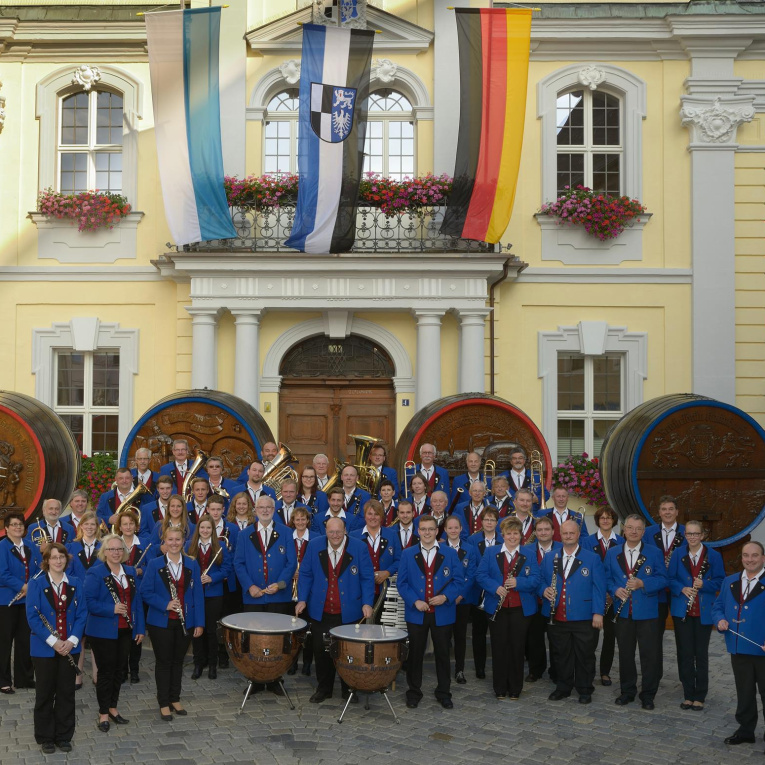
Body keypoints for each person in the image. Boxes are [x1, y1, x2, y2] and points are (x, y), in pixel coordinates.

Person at [296, 517, 374, 703]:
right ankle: (324, 689)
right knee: (321, 652)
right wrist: (302, 599)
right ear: (326, 532)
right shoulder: (314, 546)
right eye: (331, 532)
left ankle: (349, 689)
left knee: (348, 653)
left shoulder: (359, 547)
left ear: (345, 530)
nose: (335, 535)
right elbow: (305, 574)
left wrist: (367, 603)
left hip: (350, 611)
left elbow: (367, 577)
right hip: (320, 610)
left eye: (339, 531)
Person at [26, 542, 88, 754]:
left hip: (70, 647)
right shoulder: (36, 583)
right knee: (44, 693)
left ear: (66, 560)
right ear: (47, 561)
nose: (58, 561)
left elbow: (82, 614)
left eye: (61, 557)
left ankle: (64, 736)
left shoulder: (76, 582)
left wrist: (71, 640)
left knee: (66, 693)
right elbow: (32, 617)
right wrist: (54, 642)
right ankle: (45, 737)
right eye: (54, 557)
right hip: (44, 648)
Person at [397, 514, 463, 709]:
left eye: (430, 529)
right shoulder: (408, 554)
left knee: (443, 654)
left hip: (443, 613)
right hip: (416, 612)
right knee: (415, 654)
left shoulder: (450, 553)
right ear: (418, 532)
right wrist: (414, 601)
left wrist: (446, 597)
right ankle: (414, 691)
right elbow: (402, 583)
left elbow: (459, 581)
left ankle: (444, 692)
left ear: (437, 531)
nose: (427, 532)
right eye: (423, 529)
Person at [140, 526, 204, 721]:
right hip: (161, 622)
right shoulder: (154, 564)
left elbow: (198, 595)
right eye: (170, 540)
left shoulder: (192, 564)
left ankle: (175, 698)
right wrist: (165, 604)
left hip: (186, 621)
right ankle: (163, 702)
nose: (174, 543)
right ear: (164, 543)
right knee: (164, 662)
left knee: (179, 661)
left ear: (183, 542)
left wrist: (199, 622)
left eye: (178, 540)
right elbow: (145, 592)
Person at [605, 513, 668, 710]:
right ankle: (627, 691)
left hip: (647, 613)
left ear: (643, 532)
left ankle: (648, 694)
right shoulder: (612, 552)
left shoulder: (654, 552)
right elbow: (606, 578)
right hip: (622, 613)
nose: (634, 532)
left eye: (638, 528)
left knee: (649, 655)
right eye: (630, 528)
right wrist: (614, 589)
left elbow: (663, 579)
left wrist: (643, 583)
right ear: (623, 530)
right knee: (625, 654)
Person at [83, 534, 145, 732]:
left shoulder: (130, 572)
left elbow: (137, 602)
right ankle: (102, 713)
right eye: (112, 549)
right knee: (106, 672)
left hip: (125, 630)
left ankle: (113, 707)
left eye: (120, 549)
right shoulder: (95, 573)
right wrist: (111, 609)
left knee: (120, 671)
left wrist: (140, 628)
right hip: (102, 631)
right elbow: (89, 602)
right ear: (104, 552)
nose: (116, 553)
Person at [541, 520, 606, 705]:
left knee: (585, 654)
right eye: (565, 533)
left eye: (572, 533)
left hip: (584, 616)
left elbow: (599, 587)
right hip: (557, 615)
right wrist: (543, 590)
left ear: (578, 535)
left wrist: (598, 613)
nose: (568, 536)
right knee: (561, 654)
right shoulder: (550, 557)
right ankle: (563, 687)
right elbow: (540, 580)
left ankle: (585, 689)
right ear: (559, 535)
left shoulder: (591, 558)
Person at [476, 516, 540, 700]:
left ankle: (515, 688)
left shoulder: (528, 553)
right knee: (499, 647)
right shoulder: (491, 552)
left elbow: (535, 579)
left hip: (521, 608)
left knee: (517, 647)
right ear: (502, 534)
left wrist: (518, 582)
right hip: (497, 606)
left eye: (516, 533)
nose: (512, 537)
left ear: (521, 535)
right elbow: (480, 575)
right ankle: (499, 687)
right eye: (509, 533)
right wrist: (494, 587)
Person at [713, 541, 765, 748]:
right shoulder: (730, 581)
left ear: (763, 558)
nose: (749, 559)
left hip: (762, 649)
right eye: (746, 555)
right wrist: (720, 620)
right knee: (744, 692)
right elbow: (717, 606)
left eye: (754, 555)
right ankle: (745, 730)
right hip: (738, 647)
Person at [669, 520, 725, 711]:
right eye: (689, 534)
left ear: (702, 535)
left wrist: (705, 585)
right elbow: (670, 579)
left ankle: (700, 695)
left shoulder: (714, 556)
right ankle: (688, 694)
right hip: (681, 611)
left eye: (696, 534)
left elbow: (720, 581)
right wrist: (681, 588)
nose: (692, 537)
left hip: (703, 612)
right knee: (684, 653)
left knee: (700, 654)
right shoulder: (678, 554)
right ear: (685, 536)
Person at [645, 494, 686, 682]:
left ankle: (686, 678)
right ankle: (654, 676)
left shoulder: (688, 532)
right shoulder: (648, 533)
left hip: (680, 592)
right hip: (657, 593)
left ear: (677, 512)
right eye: (664, 509)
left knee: (684, 639)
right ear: (659, 513)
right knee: (654, 637)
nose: (667, 512)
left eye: (671, 509)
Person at [0, 511, 41, 693]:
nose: (18, 527)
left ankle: (24, 678)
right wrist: (23, 586)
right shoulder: (1, 547)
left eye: (20, 524)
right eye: (14, 524)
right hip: (6, 601)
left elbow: (39, 570)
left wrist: (31, 586)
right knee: (4, 641)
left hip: (26, 600)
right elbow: (2, 574)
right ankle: (3, 680)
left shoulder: (31, 546)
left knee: (26, 640)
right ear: (6, 528)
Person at [186, 515, 231, 681]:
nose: (205, 531)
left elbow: (227, 569)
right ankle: (198, 664)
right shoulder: (189, 546)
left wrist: (213, 577)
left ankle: (213, 665)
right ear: (198, 529)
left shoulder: (221, 547)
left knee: (212, 631)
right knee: (197, 630)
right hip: (194, 595)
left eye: (208, 528)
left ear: (213, 530)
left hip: (214, 594)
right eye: (202, 528)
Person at [584, 506, 624, 687]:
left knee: (610, 636)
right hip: (593, 595)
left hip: (613, 597)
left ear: (614, 521)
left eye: (609, 518)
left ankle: (605, 672)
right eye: (602, 518)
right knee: (590, 637)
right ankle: (588, 671)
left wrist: (610, 593)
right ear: (598, 521)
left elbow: (624, 571)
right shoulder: (587, 542)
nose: (606, 520)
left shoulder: (622, 542)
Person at [522, 515, 562, 683]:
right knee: (534, 638)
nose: (543, 532)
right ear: (535, 532)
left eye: (547, 529)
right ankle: (535, 669)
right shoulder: (526, 550)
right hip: (533, 601)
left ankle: (556, 670)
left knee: (556, 639)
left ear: (553, 531)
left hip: (556, 601)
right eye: (540, 530)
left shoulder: (562, 548)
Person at [442, 514, 479, 686]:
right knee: (443, 636)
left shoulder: (470, 549)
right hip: (445, 600)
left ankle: (459, 669)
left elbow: (471, 575)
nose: (453, 530)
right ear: (445, 530)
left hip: (462, 601)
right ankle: (443, 669)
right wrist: (450, 596)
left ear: (461, 529)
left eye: (456, 527)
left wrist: (459, 595)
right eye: (450, 528)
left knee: (460, 636)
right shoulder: (440, 548)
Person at [66, 510, 102, 685]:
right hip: (77, 597)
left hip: (98, 597)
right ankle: (77, 675)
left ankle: (97, 674)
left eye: (92, 524)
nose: (89, 527)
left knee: (95, 637)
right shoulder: (71, 547)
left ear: (97, 527)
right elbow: (68, 573)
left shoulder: (103, 546)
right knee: (78, 637)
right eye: (86, 524)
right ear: (80, 526)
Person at [350, 499, 401, 621]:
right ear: (364, 515)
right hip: (360, 592)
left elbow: (399, 560)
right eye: (370, 514)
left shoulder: (392, 535)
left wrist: (387, 572)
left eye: (376, 514)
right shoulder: (353, 536)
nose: (373, 517)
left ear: (382, 516)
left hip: (386, 593)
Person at [115, 510, 148, 685]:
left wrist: (141, 570)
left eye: (131, 524)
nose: (128, 527)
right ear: (119, 527)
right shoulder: (115, 544)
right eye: (125, 524)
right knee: (122, 632)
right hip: (119, 594)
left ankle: (134, 669)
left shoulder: (144, 544)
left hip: (138, 593)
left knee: (137, 631)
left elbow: (152, 567)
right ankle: (121, 670)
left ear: (136, 526)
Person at [288, 507, 313, 676]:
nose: (300, 522)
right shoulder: (287, 538)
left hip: (309, 589)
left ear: (308, 521)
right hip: (291, 588)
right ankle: (293, 661)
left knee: (309, 628)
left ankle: (308, 663)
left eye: (303, 519)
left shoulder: (316, 539)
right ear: (293, 521)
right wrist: (292, 572)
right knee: (293, 627)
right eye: (297, 520)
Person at [139, 475, 175, 545]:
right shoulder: (146, 508)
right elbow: (143, 532)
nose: (165, 491)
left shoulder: (179, 507)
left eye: (168, 488)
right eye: (162, 488)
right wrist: (155, 543)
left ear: (172, 489)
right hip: (154, 549)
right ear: (157, 489)